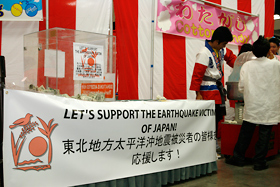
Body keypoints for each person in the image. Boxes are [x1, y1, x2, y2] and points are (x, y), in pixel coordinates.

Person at [225, 36, 280, 171]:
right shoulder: (276, 65)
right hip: (270, 105)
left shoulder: (247, 65)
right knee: (264, 134)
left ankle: (238, 158)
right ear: (268, 50)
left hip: (253, 104)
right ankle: (259, 162)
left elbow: (241, 87)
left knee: (246, 132)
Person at [189, 26, 237, 158]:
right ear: (216, 41)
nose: (224, 47)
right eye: (223, 44)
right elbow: (197, 75)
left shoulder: (220, 49)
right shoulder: (204, 53)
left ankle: (214, 143)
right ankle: (209, 145)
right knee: (210, 119)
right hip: (207, 90)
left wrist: (240, 66)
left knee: (217, 118)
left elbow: (232, 58)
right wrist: (197, 94)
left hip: (217, 89)